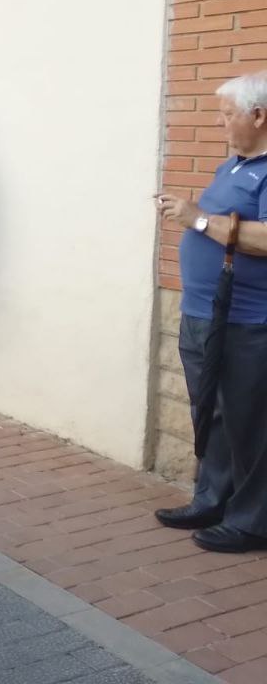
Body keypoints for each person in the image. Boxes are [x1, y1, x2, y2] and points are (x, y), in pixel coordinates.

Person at [155, 70, 267, 554]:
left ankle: (252, 520)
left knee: (249, 421)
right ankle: (213, 498)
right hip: (203, 311)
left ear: (259, 115)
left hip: (248, 320)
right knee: (212, 412)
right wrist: (191, 211)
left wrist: (196, 217)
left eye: (227, 115)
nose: (221, 124)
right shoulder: (233, 166)